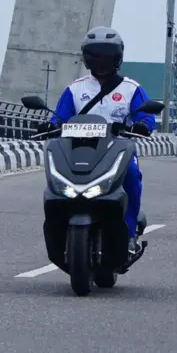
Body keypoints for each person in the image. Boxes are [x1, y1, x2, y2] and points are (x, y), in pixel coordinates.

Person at [51, 26, 153, 254]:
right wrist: (50, 125)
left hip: (118, 152)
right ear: (86, 58)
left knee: (133, 177)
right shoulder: (75, 89)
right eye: (95, 55)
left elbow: (146, 116)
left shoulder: (131, 89)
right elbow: (59, 117)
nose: (101, 61)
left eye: (107, 55)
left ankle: (128, 233)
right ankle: (59, 232)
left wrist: (143, 125)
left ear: (118, 57)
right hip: (78, 151)